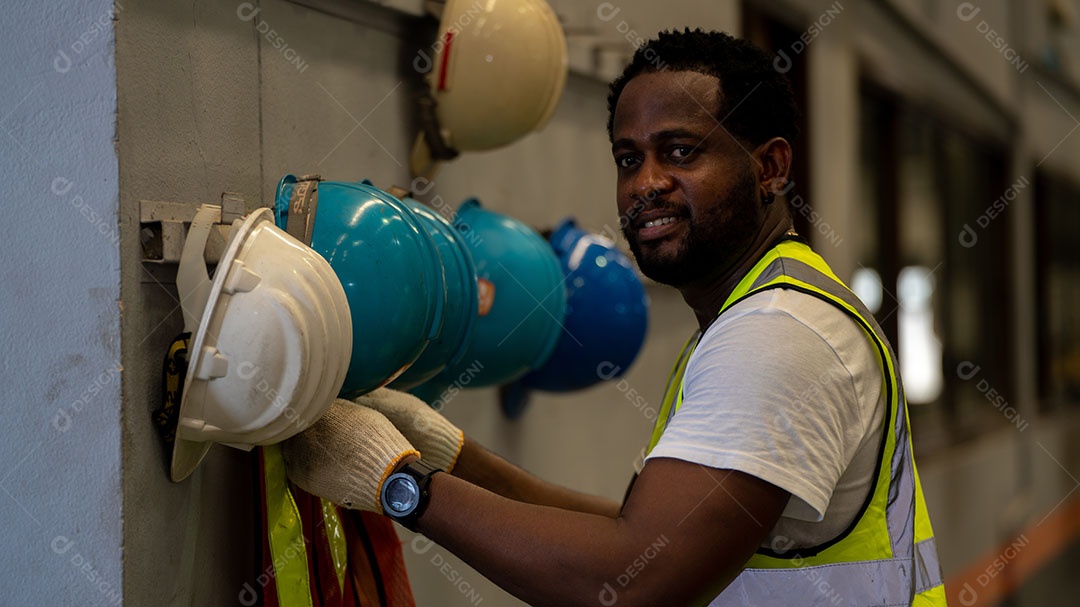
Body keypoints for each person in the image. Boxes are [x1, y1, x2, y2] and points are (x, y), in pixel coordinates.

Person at [282, 29, 946, 605]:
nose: (645, 183)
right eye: (629, 158)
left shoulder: (777, 336)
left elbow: (630, 581)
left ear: (769, 167)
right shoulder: (756, 315)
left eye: (681, 151)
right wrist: (450, 459)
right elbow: (638, 532)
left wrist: (399, 485)